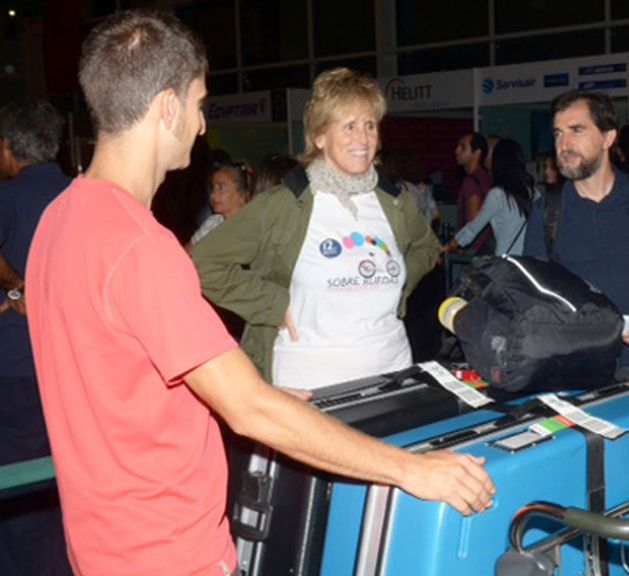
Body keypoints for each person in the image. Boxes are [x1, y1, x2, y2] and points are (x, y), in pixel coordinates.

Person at [26, 12, 493, 576]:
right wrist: (413, 470)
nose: (201, 128)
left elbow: (123, 385)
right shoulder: (141, 246)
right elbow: (249, 408)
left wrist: (243, 398)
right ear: (167, 108)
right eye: (199, 105)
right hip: (171, 553)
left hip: (101, 546)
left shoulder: (60, 220)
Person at [192, 67, 443, 391]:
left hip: (391, 372)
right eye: (349, 126)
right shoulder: (285, 205)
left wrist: (401, 282)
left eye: (370, 125)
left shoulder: (393, 202)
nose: (363, 139)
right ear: (319, 136)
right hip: (309, 384)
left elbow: (428, 246)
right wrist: (271, 303)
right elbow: (203, 262)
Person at [522, 90, 629, 384]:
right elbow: (535, 298)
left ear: (607, 138)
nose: (564, 144)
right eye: (558, 133)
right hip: (571, 367)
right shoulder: (547, 211)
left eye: (577, 130)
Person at [0, 99, 72, 576]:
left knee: (18, 488)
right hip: (74, 366)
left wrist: (17, 283)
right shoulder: (81, 194)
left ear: (7, 148)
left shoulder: (7, 197)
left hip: (18, 366)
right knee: (66, 479)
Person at [447, 139, 535, 256]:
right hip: (529, 262)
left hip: (506, 262)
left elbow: (474, 227)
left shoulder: (498, 195)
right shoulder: (534, 193)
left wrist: (451, 244)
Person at [189, 161, 253, 246]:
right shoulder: (213, 222)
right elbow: (188, 250)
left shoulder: (250, 230)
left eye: (221, 187)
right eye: (213, 188)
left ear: (242, 194)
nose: (213, 194)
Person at [454, 131, 492, 254]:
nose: (457, 151)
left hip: (473, 250)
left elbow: (472, 222)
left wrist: (460, 246)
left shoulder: (471, 181)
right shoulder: (487, 178)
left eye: (463, 147)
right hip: (486, 247)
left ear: (477, 153)